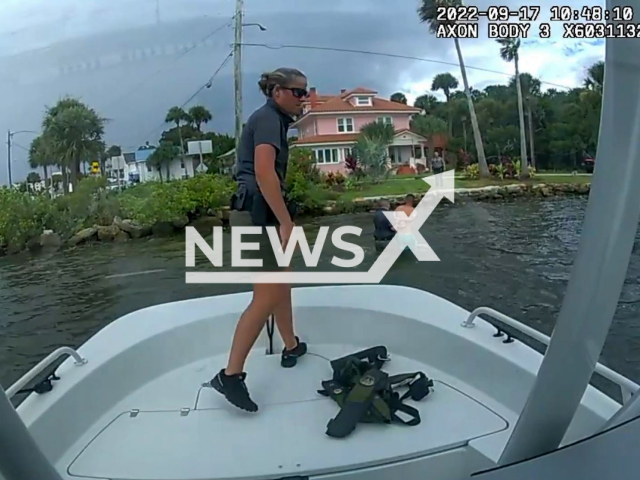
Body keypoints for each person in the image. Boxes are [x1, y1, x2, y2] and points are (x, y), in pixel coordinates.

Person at [208, 68, 310, 413]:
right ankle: (230, 375)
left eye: (305, 92)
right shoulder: (268, 119)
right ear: (278, 91)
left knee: (280, 282)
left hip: (257, 211)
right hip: (257, 214)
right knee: (266, 295)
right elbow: (265, 172)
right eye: (298, 92)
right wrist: (285, 221)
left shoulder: (275, 120)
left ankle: (291, 344)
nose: (303, 98)